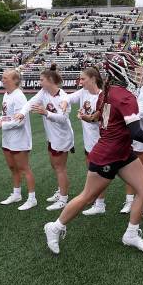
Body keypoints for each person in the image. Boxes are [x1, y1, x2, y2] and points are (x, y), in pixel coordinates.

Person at [43, 52, 143, 254]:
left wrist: (90, 118)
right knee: (87, 196)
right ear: (119, 71)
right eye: (130, 69)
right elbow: (136, 131)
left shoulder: (108, 91)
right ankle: (55, 227)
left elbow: (102, 118)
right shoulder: (123, 95)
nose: (136, 74)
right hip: (108, 154)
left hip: (121, 151)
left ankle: (131, 233)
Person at [15, 64, 74, 211]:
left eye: (42, 80)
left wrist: (46, 113)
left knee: (60, 168)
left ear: (50, 80)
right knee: (55, 166)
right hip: (51, 136)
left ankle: (63, 198)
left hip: (62, 137)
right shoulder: (44, 92)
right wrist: (23, 112)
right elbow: (30, 103)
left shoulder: (64, 97)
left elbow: (63, 118)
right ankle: (60, 191)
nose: (39, 82)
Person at [63, 68, 105, 215]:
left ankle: (101, 203)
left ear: (93, 79)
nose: (80, 82)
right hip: (89, 143)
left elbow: (102, 119)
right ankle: (99, 203)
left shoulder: (103, 96)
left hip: (101, 143)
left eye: (83, 79)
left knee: (100, 174)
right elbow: (68, 98)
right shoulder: (83, 93)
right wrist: (64, 104)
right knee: (93, 173)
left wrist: (86, 117)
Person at [0, 68, 36, 210]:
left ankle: (32, 198)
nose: (2, 79)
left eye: (5, 77)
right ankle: (16, 194)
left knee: (24, 168)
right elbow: (7, 114)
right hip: (7, 139)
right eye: (2, 77)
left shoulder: (19, 96)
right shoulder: (7, 94)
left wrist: (3, 124)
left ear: (14, 80)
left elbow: (20, 121)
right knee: (13, 168)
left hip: (19, 139)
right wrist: (0, 118)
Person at [121, 66, 143, 216]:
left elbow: (139, 114)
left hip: (142, 138)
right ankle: (129, 201)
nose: (139, 77)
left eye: (141, 74)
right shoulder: (124, 90)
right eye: (136, 74)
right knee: (128, 171)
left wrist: (119, 118)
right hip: (127, 137)